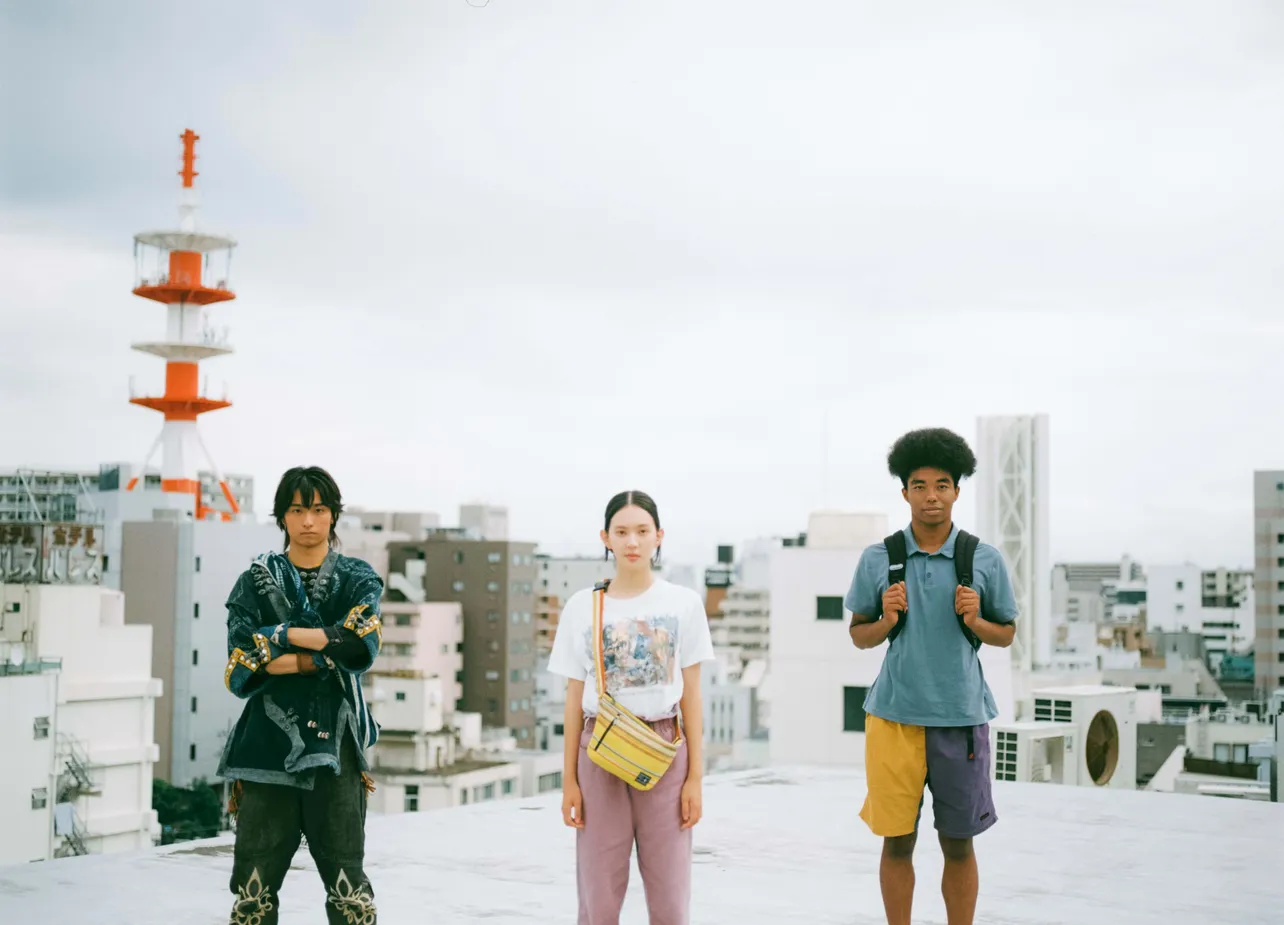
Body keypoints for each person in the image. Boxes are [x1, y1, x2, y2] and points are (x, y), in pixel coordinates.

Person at [846, 429, 1018, 925]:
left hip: (960, 717)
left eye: (942, 485)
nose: (931, 496)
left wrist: (977, 620)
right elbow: (859, 636)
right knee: (896, 841)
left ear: (957, 491)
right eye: (919, 486)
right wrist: (885, 617)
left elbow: (1005, 634)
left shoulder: (983, 559)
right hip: (893, 718)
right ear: (904, 493)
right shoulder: (877, 558)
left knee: (958, 843)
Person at [218, 466, 384, 925]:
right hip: (264, 745)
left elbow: (361, 648)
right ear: (282, 517)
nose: (308, 520)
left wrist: (284, 635)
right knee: (254, 892)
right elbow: (241, 665)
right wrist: (324, 650)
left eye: (318, 509)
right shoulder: (255, 581)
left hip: (337, 745)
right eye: (297, 509)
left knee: (349, 888)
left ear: (333, 516)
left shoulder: (357, 578)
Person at [548, 490, 715, 925]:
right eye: (621, 532)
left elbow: (692, 695)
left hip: (664, 746)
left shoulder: (683, 603)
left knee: (671, 896)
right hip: (599, 747)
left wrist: (696, 776)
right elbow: (572, 697)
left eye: (642, 531)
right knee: (598, 895)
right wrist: (569, 780)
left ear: (659, 536)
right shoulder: (583, 605)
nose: (632, 542)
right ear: (606, 538)